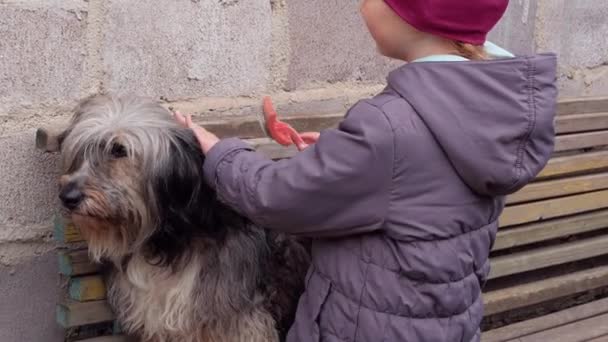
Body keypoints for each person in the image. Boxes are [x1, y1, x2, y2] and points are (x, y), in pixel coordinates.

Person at [174, 0, 558, 340]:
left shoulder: (386, 128)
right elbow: (418, 179)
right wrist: (342, 153)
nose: (361, 7)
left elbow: (278, 197)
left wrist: (219, 151)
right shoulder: (486, 106)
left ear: (414, 12)